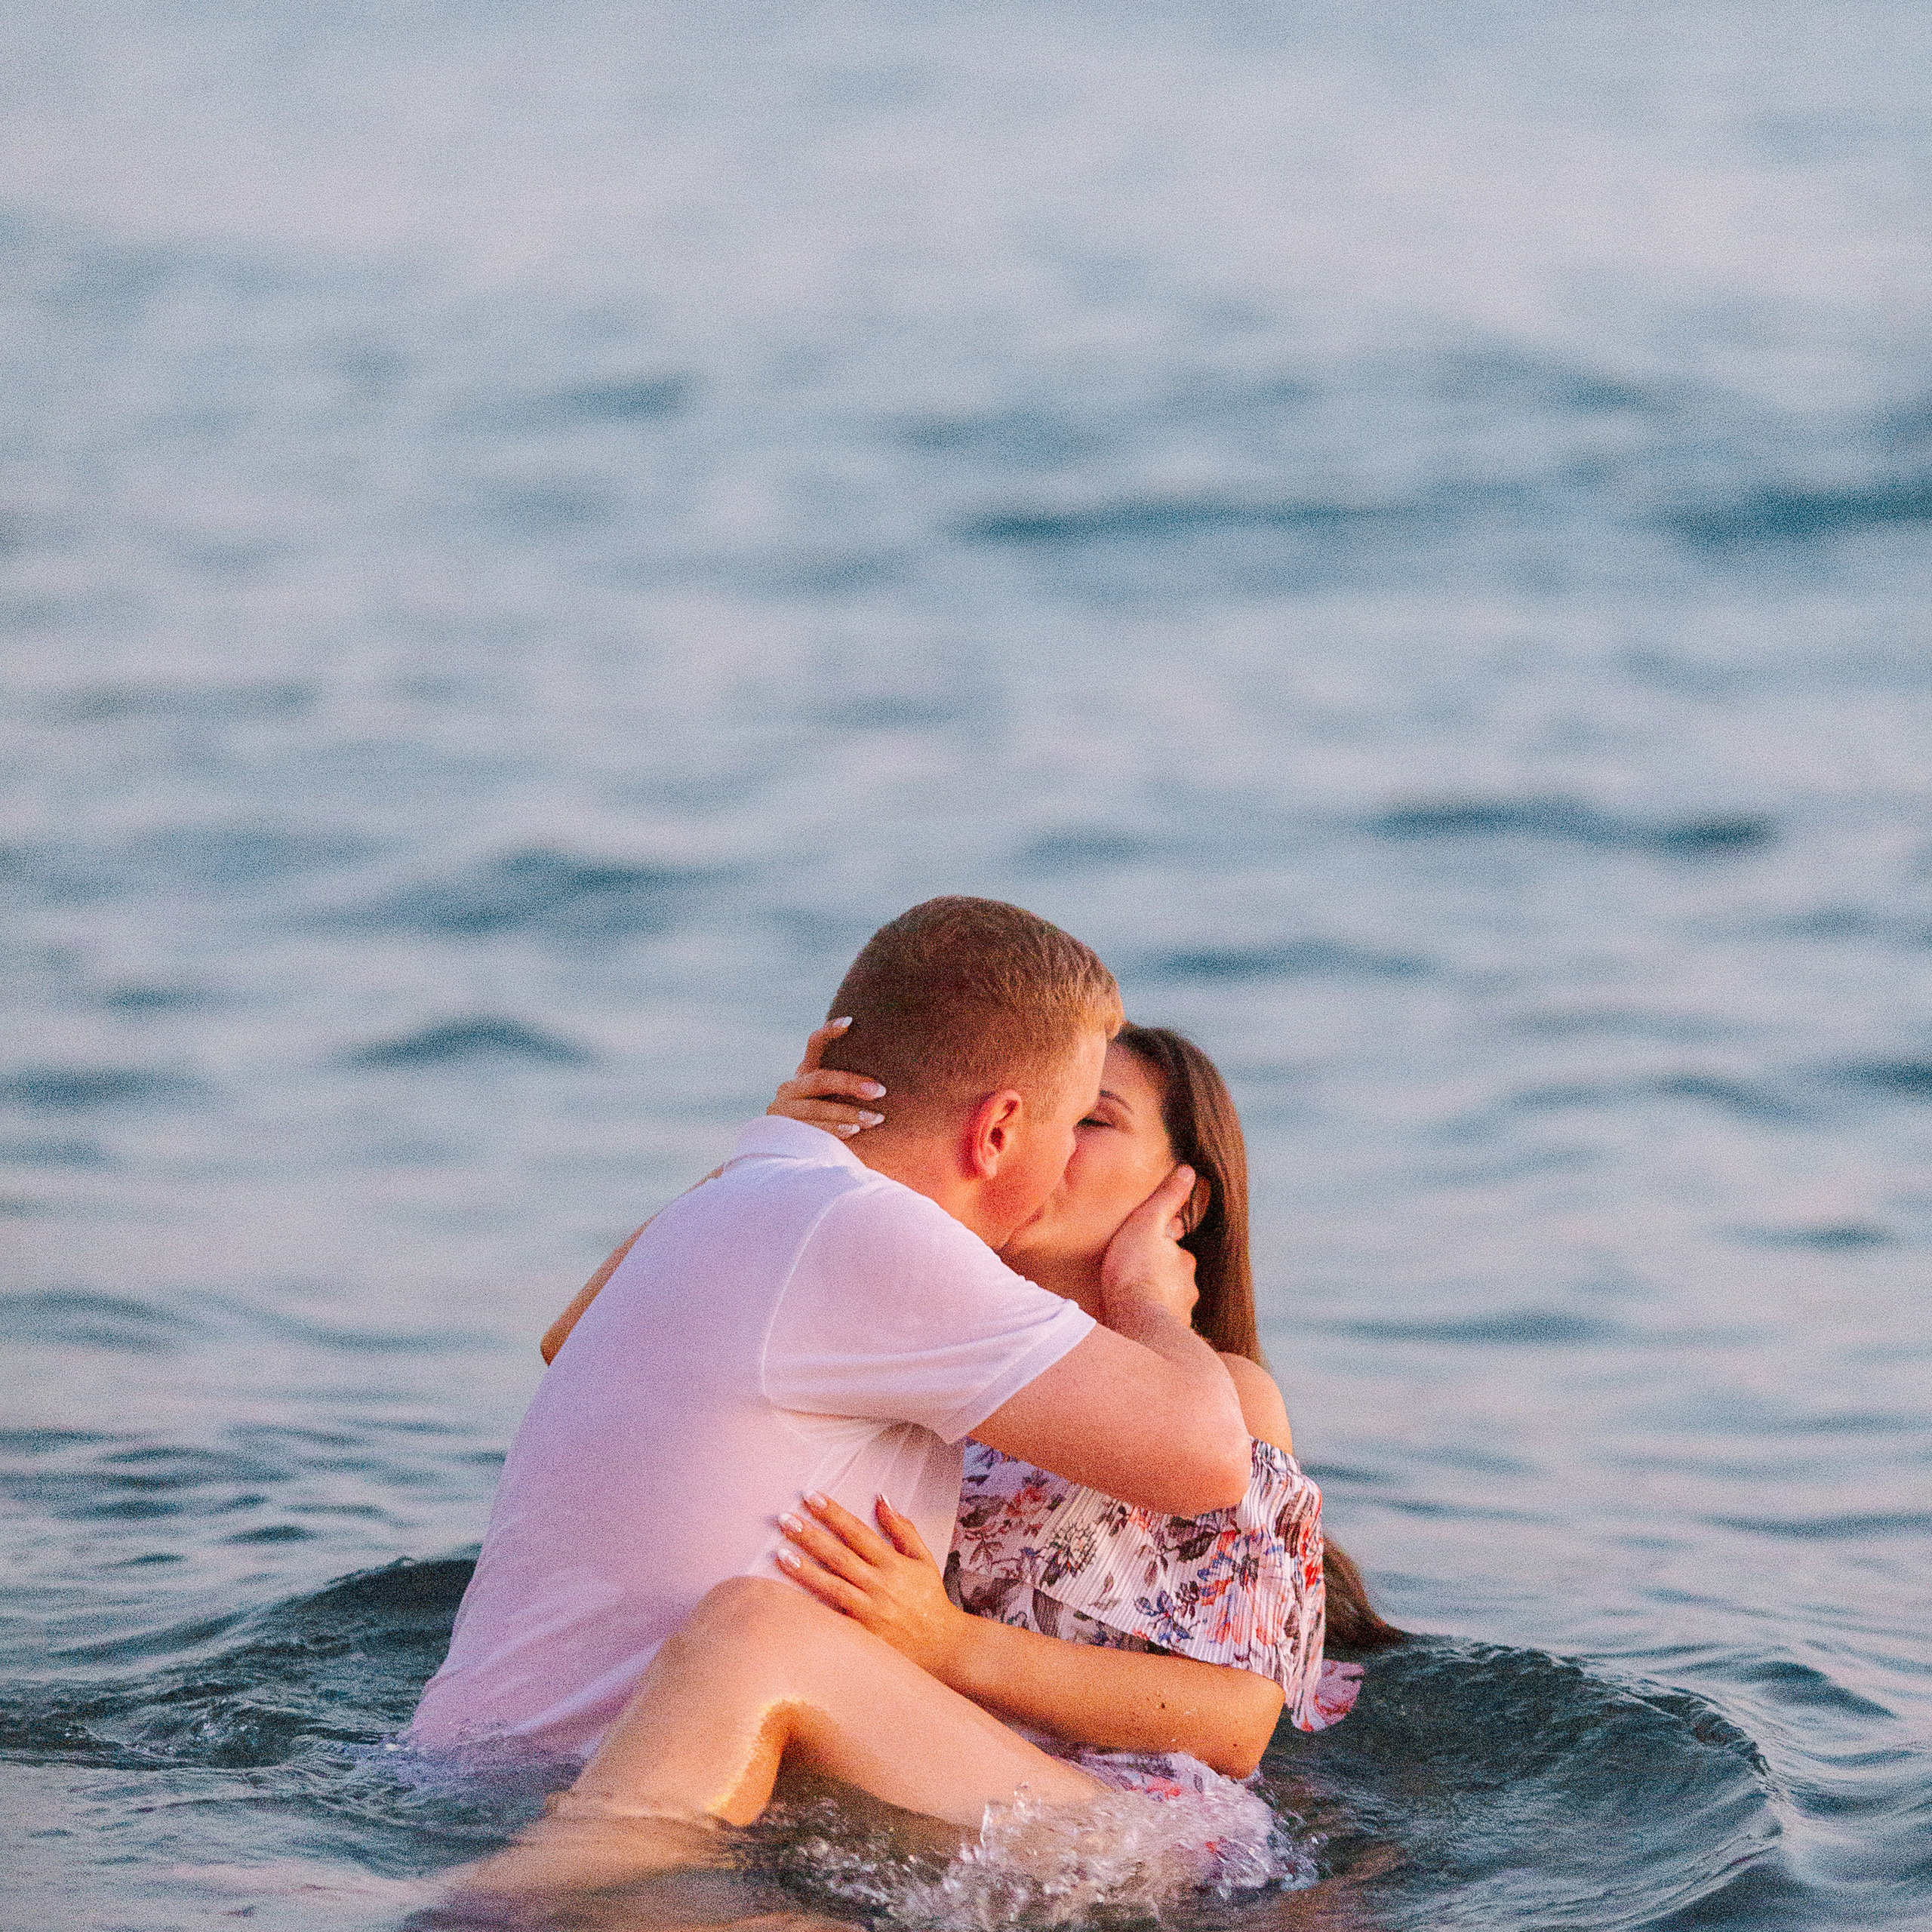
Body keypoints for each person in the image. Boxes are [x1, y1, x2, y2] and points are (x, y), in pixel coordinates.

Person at [444, 1014, 1400, 1914]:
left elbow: (1238, 1722)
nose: (1050, 1139)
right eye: (1046, 1111)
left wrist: (947, 1642)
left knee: (755, 1636)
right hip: (900, 1786)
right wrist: (771, 1163)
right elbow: (583, 1344)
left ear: (1182, 1201)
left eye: (1092, 1120)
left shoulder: (1220, 1399)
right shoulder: (925, 1352)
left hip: (1124, 1836)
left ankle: (503, 1913)